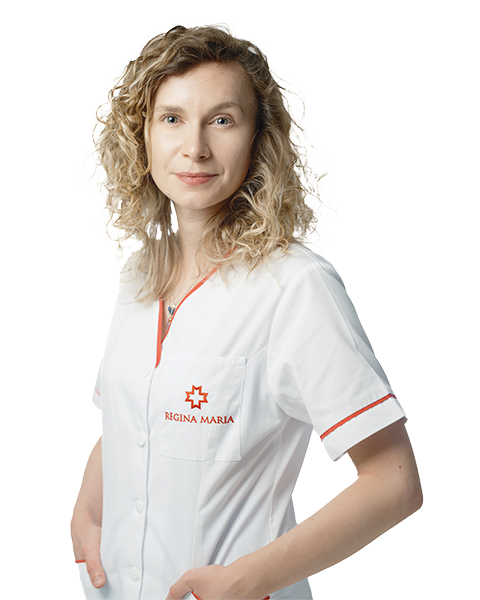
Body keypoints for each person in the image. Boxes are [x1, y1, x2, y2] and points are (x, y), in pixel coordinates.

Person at [71, 23, 423, 600]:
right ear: (142, 136)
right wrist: (87, 509)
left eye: (222, 120)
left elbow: (395, 482)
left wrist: (247, 579)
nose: (195, 148)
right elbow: (130, 426)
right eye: (172, 118)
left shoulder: (295, 287)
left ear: (258, 139)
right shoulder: (139, 277)